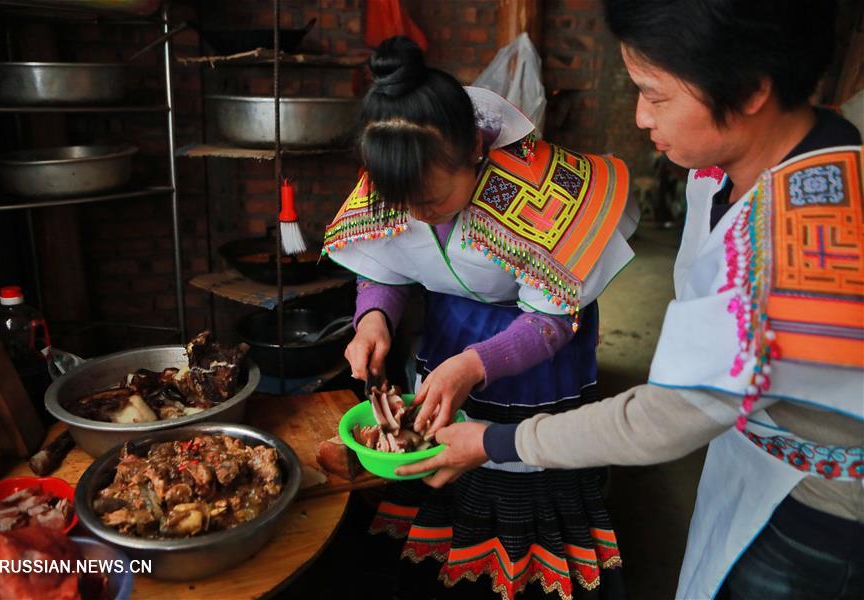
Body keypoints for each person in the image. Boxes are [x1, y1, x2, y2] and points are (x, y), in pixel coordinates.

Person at [399, 2, 864, 599]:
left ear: (750, 88)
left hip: (812, 507)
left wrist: (493, 442)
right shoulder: (773, 153)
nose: (641, 116)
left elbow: (664, 418)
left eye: (656, 95)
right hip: (753, 447)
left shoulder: (798, 244)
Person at [323, 36, 637, 600]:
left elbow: (552, 321)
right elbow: (384, 264)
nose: (418, 216)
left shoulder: (542, 186)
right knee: (443, 466)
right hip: (449, 335)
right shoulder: (395, 171)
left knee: (520, 473)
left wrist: (473, 365)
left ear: (471, 148)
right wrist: (373, 318)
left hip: (535, 352)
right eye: (405, 205)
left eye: (433, 202)